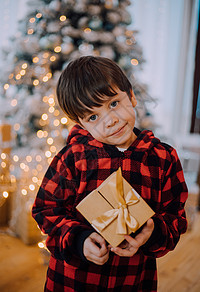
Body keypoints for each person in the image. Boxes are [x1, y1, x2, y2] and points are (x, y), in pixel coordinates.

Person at [32, 56, 188, 292]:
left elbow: (175, 219)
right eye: (93, 117)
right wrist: (79, 240)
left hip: (133, 281)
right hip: (72, 283)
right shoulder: (73, 158)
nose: (110, 121)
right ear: (82, 124)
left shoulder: (163, 159)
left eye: (113, 103)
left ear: (131, 96)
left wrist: (151, 233)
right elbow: (45, 210)